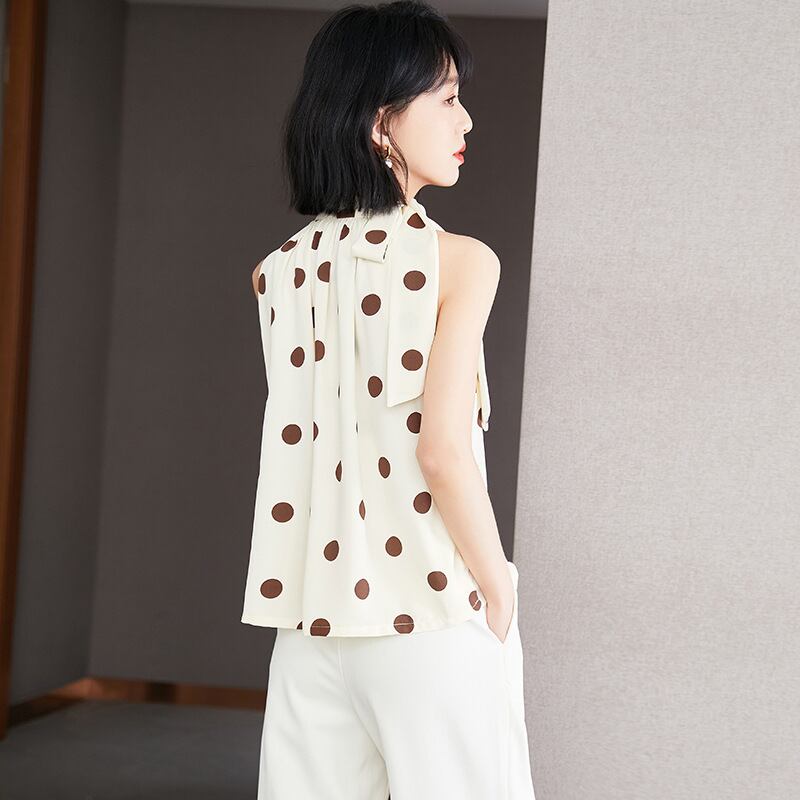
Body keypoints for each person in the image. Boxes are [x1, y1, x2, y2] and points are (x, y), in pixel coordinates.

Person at [241, 2, 536, 797]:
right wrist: (498, 589)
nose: (466, 118)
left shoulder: (277, 273)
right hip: (430, 615)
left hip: (310, 630)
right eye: (447, 98)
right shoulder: (461, 262)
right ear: (381, 123)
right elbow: (440, 453)